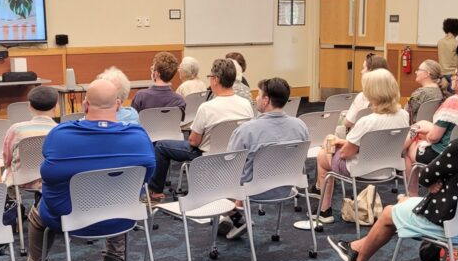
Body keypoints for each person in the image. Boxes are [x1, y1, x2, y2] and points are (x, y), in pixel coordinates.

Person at [329, 84, 458, 261]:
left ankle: (357, 260)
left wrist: (440, 179)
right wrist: (444, 179)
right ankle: (356, 247)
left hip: (451, 222)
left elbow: (425, 177)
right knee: (403, 205)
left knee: (388, 213)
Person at [18, 79, 155, 261]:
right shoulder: (139, 136)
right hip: (121, 217)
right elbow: (146, 178)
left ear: (85, 105)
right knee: (118, 193)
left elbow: (48, 175)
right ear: (118, 105)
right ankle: (113, 259)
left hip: (69, 218)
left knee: (37, 213)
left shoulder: (61, 134)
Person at [147, 58, 254, 201]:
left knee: (161, 146)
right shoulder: (246, 104)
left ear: (215, 80)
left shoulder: (207, 107)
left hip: (207, 156)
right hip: (236, 156)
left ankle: (155, 192)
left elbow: (194, 141)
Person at [314, 69, 409, 224]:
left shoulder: (367, 121)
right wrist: (345, 142)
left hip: (361, 169)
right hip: (388, 169)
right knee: (336, 142)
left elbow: (345, 154)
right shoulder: (403, 115)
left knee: (322, 154)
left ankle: (324, 210)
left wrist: (336, 144)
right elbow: (381, 143)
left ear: (372, 93)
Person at [222, 76, 310, 239]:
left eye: (259, 95)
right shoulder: (300, 126)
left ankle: (234, 216)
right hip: (285, 189)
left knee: (214, 175)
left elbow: (230, 164)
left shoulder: (246, 130)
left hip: (253, 191)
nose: (256, 98)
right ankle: (235, 214)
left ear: (266, 100)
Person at [402, 60, 458, 192]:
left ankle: (412, 193)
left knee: (409, 149)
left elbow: (434, 138)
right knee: (421, 125)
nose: (452, 77)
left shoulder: (453, 101)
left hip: (445, 155)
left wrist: (426, 136)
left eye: (455, 74)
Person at [2, 85, 59, 190]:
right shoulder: (60, 131)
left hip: (21, 179)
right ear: (56, 106)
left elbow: (7, 158)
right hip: (50, 178)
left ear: (29, 106)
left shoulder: (16, 129)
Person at [341, 52, 391, 132]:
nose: (361, 71)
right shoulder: (393, 100)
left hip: (359, 136)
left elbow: (348, 123)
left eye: (363, 68)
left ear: (371, 72)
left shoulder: (363, 97)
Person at [131, 51, 186, 117]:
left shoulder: (140, 96)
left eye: (152, 69)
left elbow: (133, 119)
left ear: (156, 73)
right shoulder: (179, 100)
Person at [406, 59, 447, 124]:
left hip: (416, 128)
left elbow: (406, 114)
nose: (416, 72)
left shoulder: (421, 93)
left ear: (427, 74)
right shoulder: (440, 91)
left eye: (419, 70)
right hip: (431, 127)